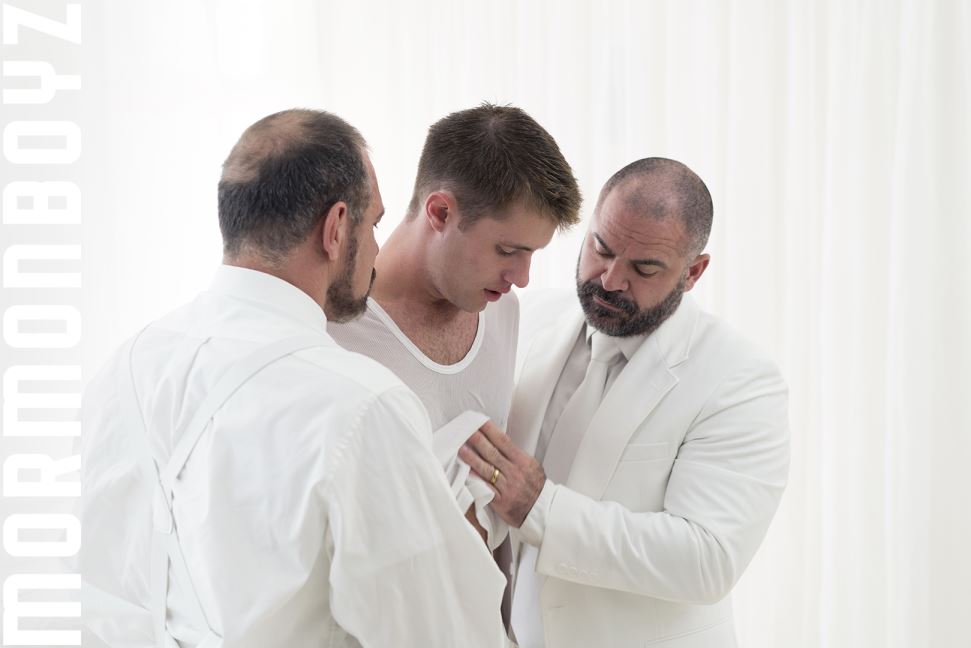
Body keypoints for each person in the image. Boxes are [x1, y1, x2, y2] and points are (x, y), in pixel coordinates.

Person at [80, 109, 508, 648]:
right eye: (372, 223)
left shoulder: (123, 368)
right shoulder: (361, 405)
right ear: (334, 230)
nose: (377, 249)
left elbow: (95, 588)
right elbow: (444, 634)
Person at [460, 158, 790, 647]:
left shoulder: (741, 380)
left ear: (694, 271)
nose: (611, 280)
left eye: (645, 268)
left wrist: (540, 507)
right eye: (601, 248)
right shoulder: (527, 319)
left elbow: (707, 560)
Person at [328, 103, 581, 549]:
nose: (521, 278)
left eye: (532, 254)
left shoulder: (502, 311)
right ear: (441, 213)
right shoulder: (338, 330)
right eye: (507, 251)